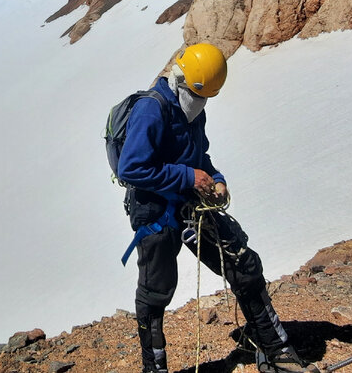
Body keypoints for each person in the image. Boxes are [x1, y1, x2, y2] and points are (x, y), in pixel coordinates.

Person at [118, 43, 305, 373]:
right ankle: (154, 367)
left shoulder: (193, 109)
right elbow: (131, 169)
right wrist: (189, 176)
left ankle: (275, 347)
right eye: (197, 94)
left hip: (190, 205)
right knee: (155, 292)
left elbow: (199, 157)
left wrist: (215, 179)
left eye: (206, 97)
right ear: (181, 80)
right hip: (155, 211)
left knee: (242, 263)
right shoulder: (151, 109)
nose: (201, 103)